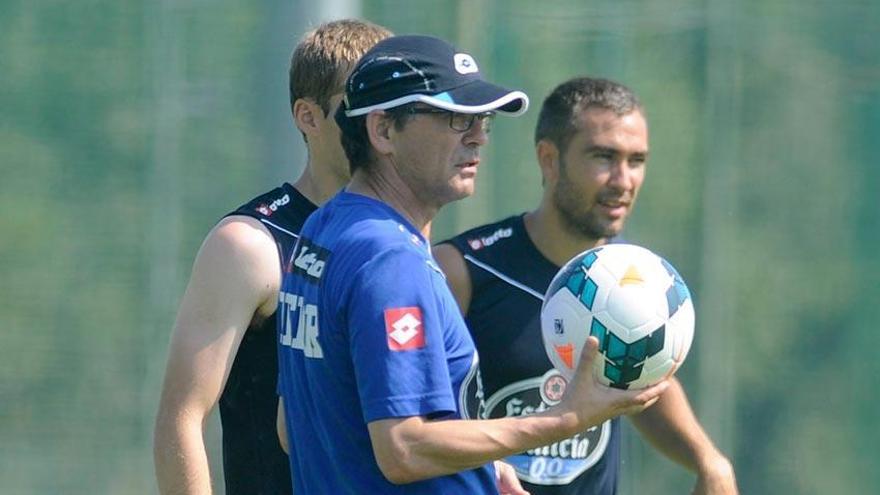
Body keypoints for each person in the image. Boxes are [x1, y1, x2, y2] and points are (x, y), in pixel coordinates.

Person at [276, 35, 671, 495]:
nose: (479, 134)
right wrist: (564, 419)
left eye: (481, 119)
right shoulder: (390, 259)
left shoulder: (324, 228)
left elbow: (293, 423)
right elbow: (404, 447)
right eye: (454, 118)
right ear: (383, 130)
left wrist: (481, 461)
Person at [432, 76, 739, 494]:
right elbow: (414, 424)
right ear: (549, 159)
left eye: (637, 160)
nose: (623, 180)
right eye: (603, 156)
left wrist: (709, 461)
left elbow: (645, 382)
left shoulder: (637, 280)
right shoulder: (463, 270)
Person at [153, 19, 392, 495]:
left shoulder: (400, 238)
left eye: (388, 106)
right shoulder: (250, 243)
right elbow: (180, 419)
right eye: (356, 105)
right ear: (308, 117)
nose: (377, 124)